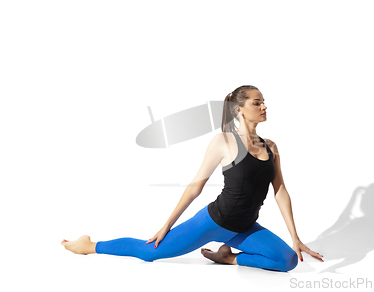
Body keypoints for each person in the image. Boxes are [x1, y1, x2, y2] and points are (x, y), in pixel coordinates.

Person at [61, 85, 324, 272]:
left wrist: (296, 237)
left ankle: (228, 258)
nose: (264, 106)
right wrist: (166, 225)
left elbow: (280, 192)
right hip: (213, 222)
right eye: (257, 102)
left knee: (286, 261)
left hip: (244, 226)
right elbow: (194, 187)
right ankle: (91, 245)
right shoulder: (223, 142)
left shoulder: (271, 146)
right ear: (239, 109)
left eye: (264, 101)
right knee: (149, 253)